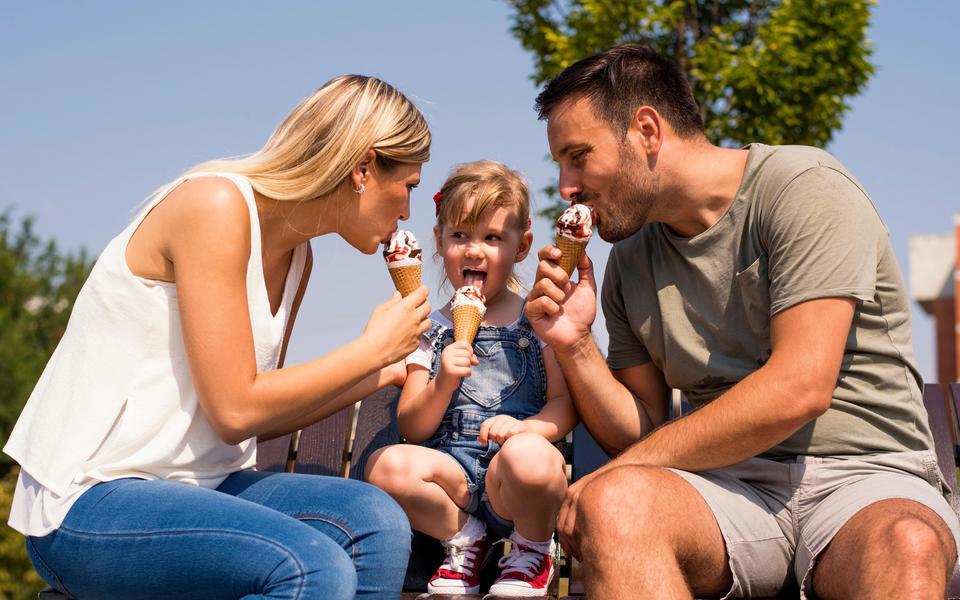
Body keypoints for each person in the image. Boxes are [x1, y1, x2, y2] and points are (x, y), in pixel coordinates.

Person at [525, 43, 960, 599]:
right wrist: (575, 344)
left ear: (648, 131)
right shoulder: (629, 262)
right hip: (727, 488)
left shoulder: (804, 189)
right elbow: (645, 430)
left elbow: (798, 389)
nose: (566, 185)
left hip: (866, 476)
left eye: (578, 155)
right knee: (618, 504)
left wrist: (626, 466)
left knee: (907, 544)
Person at [4, 74, 434, 599]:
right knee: (310, 566)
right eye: (408, 185)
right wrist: (367, 350)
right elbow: (235, 411)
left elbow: (262, 406)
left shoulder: (298, 257)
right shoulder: (214, 205)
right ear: (363, 167)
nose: (408, 211)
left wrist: (381, 371)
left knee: (375, 522)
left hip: (205, 487)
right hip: (88, 500)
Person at [365, 160, 577, 597]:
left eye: (493, 238)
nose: (475, 250)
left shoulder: (536, 320)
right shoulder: (428, 329)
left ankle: (533, 549)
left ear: (522, 248)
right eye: (460, 235)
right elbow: (412, 426)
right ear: (440, 242)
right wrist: (442, 381)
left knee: (530, 459)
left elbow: (562, 405)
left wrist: (526, 429)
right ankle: (465, 540)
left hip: (516, 483)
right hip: (455, 481)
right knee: (386, 467)